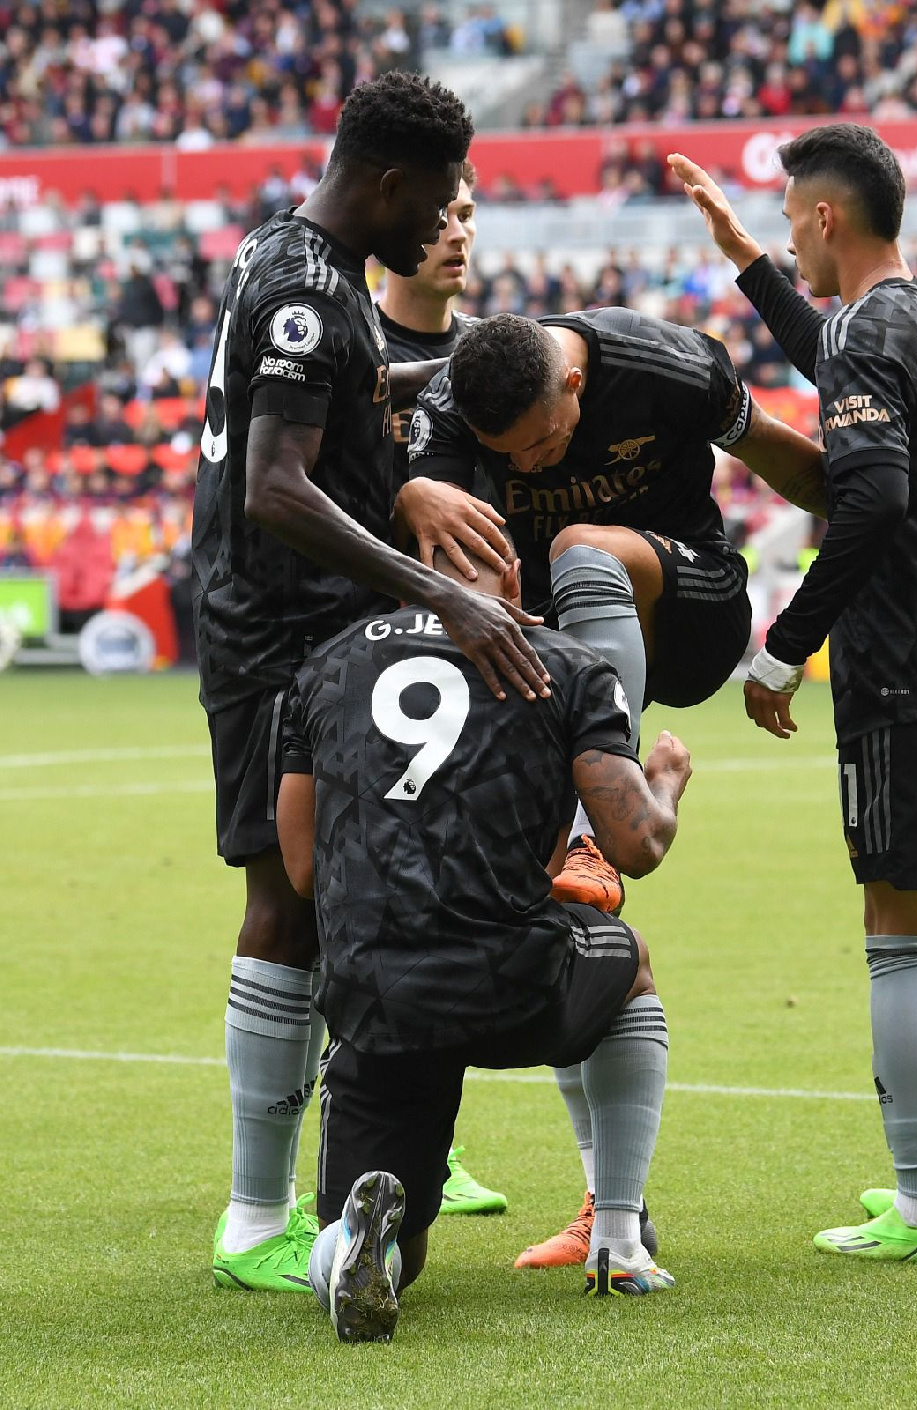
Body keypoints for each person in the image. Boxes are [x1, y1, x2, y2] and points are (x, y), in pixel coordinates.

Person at [193, 70, 550, 1295]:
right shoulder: (302, 287)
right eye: (439, 196)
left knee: (343, 900)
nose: (443, 219)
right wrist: (440, 588)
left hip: (312, 638)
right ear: (389, 180)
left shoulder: (298, 264)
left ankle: (351, 1180)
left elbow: (338, 396)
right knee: (287, 901)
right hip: (274, 638)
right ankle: (254, 1218)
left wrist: (463, 382)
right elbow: (276, 486)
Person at [669, 127, 917, 1263]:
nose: (786, 229)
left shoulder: (872, 334)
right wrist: (746, 258)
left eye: (789, 217)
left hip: (914, 666)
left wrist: (786, 644)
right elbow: (830, 347)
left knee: (903, 938)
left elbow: (870, 502)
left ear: (829, 217)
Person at [398, 304, 826, 1266]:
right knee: (562, 925)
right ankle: (610, 1213)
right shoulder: (455, 410)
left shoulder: (669, 366)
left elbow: (791, 464)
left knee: (579, 542)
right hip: (554, 648)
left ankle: (604, 814)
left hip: (688, 600)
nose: (535, 467)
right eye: (517, 457)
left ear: (576, 387)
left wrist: (865, 551)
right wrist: (413, 493)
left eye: (547, 441)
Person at [275, 541, 690, 1340]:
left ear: (408, 571)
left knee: (406, 1249)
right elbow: (636, 844)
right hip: (511, 977)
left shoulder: (324, 668)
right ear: (513, 577)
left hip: (375, 995)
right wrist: (666, 774)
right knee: (627, 959)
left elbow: (300, 867)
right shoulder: (566, 663)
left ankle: (358, 1252)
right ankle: (619, 1239)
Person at [376, 155, 505, 1218]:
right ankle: (368, 1127)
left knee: (451, 896)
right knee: (362, 896)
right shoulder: (349, 349)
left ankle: (437, 1145)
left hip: (468, 664)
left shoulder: (486, 359)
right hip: (365, 660)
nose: (458, 231)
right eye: (442, 215)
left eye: (469, 215)